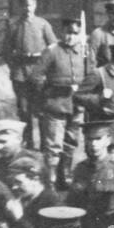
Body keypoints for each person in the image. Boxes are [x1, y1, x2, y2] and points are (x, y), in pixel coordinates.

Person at [33, 16, 93, 191]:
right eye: (68, 32)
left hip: (77, 105)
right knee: (53, 145)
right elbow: (36, 76)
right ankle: (50, 179)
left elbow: (92, 75)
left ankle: (64, 174)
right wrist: (50, 90)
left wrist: (85, 91)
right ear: (62, 32)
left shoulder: (85, 51)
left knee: (71, 141)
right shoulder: (52, 51)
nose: (71, 37)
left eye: (75, 33)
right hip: (56, 104)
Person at [1, 0, 55, 149]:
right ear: (20, 7)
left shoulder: (43, 24)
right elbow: (6, 51)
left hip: (39, 71)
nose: (27, 8)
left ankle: (45, 144)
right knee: (24, 110)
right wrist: (14, 66)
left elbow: (53, 48)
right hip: (20, 72)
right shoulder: (13, 26)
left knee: (41, 110)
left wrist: (45, 68)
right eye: (24, 5)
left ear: (35, 5)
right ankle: (28, 143)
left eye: (30, 5)